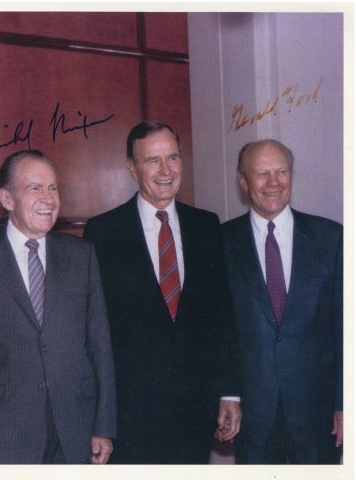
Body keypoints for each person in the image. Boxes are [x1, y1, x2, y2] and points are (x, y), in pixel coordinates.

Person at [83, 120, 241, 464]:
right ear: (132, 167)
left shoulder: (206, 226)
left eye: (173, 158)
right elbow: (94, 331)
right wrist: (101, 415)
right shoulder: (103, 232)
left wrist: (229, 393)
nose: (166, 170)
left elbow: (223, 317)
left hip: (196, 411)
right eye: (153, 160)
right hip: (131, 415)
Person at [0, 149, 117, 464]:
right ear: (7, 198)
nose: (49, 198)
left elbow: (100, 345)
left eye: (53, 187)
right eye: (35, 188)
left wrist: (104, 425)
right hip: (2, 432)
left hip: (75, 428)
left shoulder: (82, 256)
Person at [222, 139, 343, 464]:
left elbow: (345, 328)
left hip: (318, 414)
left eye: (281, 172)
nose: (273, 182)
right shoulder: (221, 243)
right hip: (253, 414)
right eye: (262, 174)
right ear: (243, 181)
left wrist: (345, 402)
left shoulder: (331, 238)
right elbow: (218, 330)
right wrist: (228, 394)